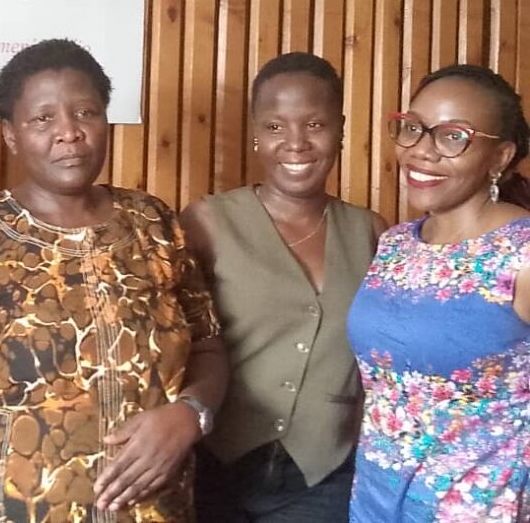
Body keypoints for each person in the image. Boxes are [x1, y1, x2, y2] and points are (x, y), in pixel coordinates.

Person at [0, 38, 227, 523]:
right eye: (43, 119)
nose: (69, 133)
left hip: (156, 512)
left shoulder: (153, 223)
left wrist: (190, 414)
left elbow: (209, 348)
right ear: (11, 135)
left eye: (86, 113)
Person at [181, 52, 387, 521]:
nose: (296, 143)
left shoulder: (371, 232)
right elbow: (174, 339)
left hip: (323, 476)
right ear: (256, 133)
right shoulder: (208, 221)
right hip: (215, 465)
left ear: (340, 129)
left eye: (314, 124)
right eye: (275, 126)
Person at [347, 64, 530, 522]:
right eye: (413, 128)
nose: (422, 151)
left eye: (453, 137)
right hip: (375, 499)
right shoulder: (395, 244)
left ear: (500, 157)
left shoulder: (522, 252)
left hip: (477, 508)